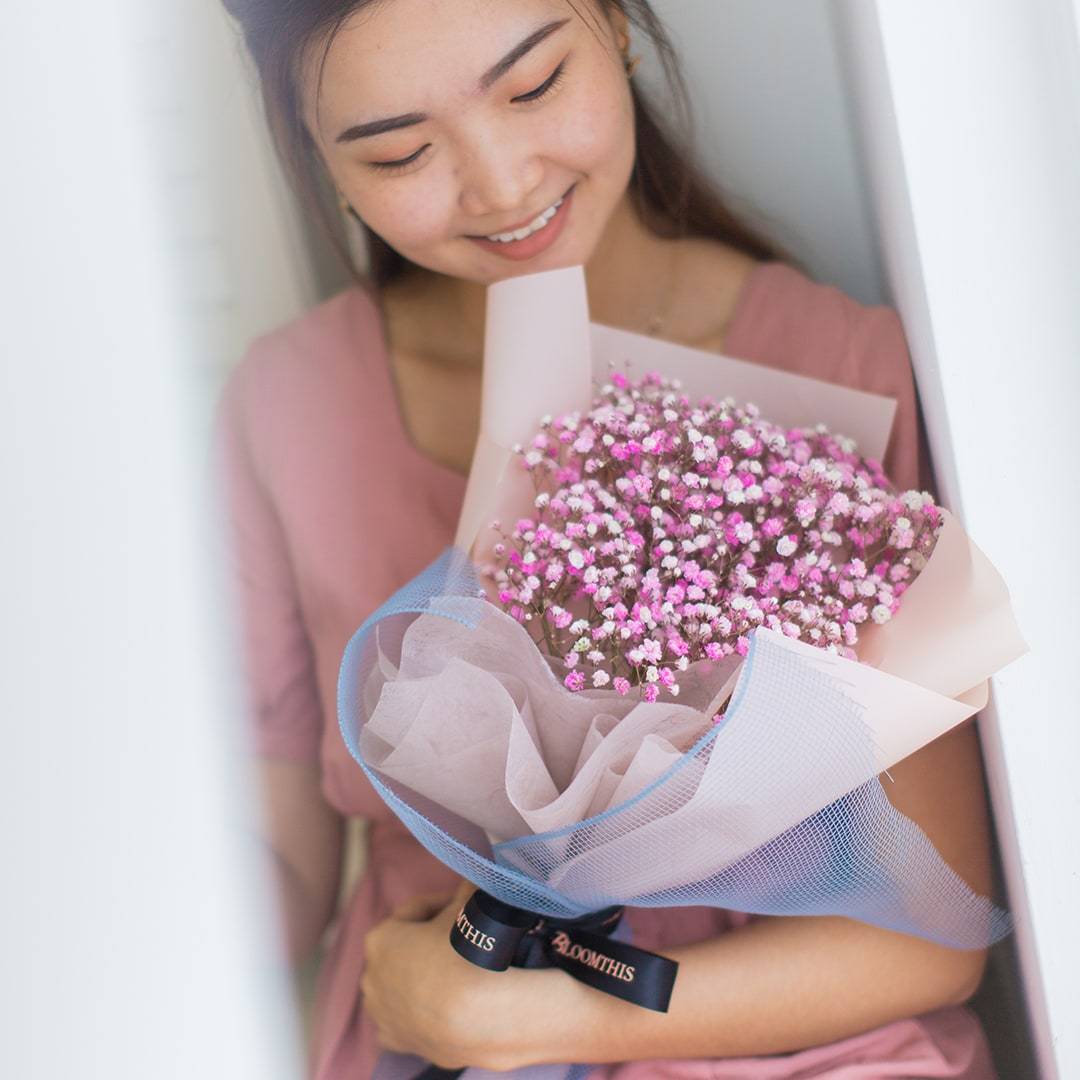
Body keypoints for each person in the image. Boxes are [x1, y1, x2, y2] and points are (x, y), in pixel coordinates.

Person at [212, 1, 1000, 1076]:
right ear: (318, 159)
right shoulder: (288, 405)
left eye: (533, 86)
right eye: (400, 151)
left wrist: (549, 1020)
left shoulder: (838, 363)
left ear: (618, 24)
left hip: (798, 1045)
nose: (499, 183)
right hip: (424, 1016)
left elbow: (934, 932)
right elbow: (280, 860)